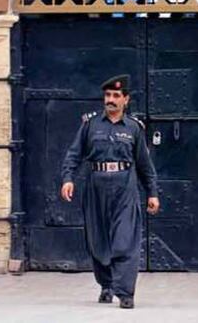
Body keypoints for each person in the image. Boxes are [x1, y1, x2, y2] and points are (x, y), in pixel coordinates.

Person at [60, 74, 160, 309]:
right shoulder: (90, 125)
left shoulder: (134, 128)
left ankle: (125, 293)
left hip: (125, 187)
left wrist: (152, 193)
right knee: (98, 242)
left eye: (116, 96)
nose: (111, 100)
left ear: (126, 99)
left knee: (124, 240)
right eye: (108, 95)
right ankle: (107, 285)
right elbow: (74, 154)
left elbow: (145, 165)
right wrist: (68, 178)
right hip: (96, 186)